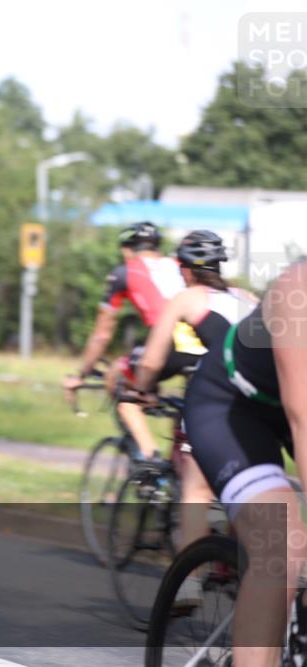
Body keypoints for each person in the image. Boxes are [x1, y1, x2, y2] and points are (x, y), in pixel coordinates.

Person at [183, 259, 306, 666]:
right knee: (281, 546)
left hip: (284, 408)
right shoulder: (297, 291)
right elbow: (301, 418)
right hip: (230, 405)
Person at [128, 230, 259, 602]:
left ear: (184, 269)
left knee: (195, 488)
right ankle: (237, 561)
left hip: (218, 399)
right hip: (264, 403)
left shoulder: (187, 298)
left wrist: (141, 389)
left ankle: (189, 582)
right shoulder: (248, 298)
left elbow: (152, 359)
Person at [63, 221, 205, 460]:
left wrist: (81, 373)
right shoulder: (179, 265)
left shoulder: (124, 272)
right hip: (205, 342)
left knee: (124, 390)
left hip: (170, 345)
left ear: (126, 249)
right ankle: (178, 476)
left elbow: (101, 335)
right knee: (183, 409)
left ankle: (149, 462)